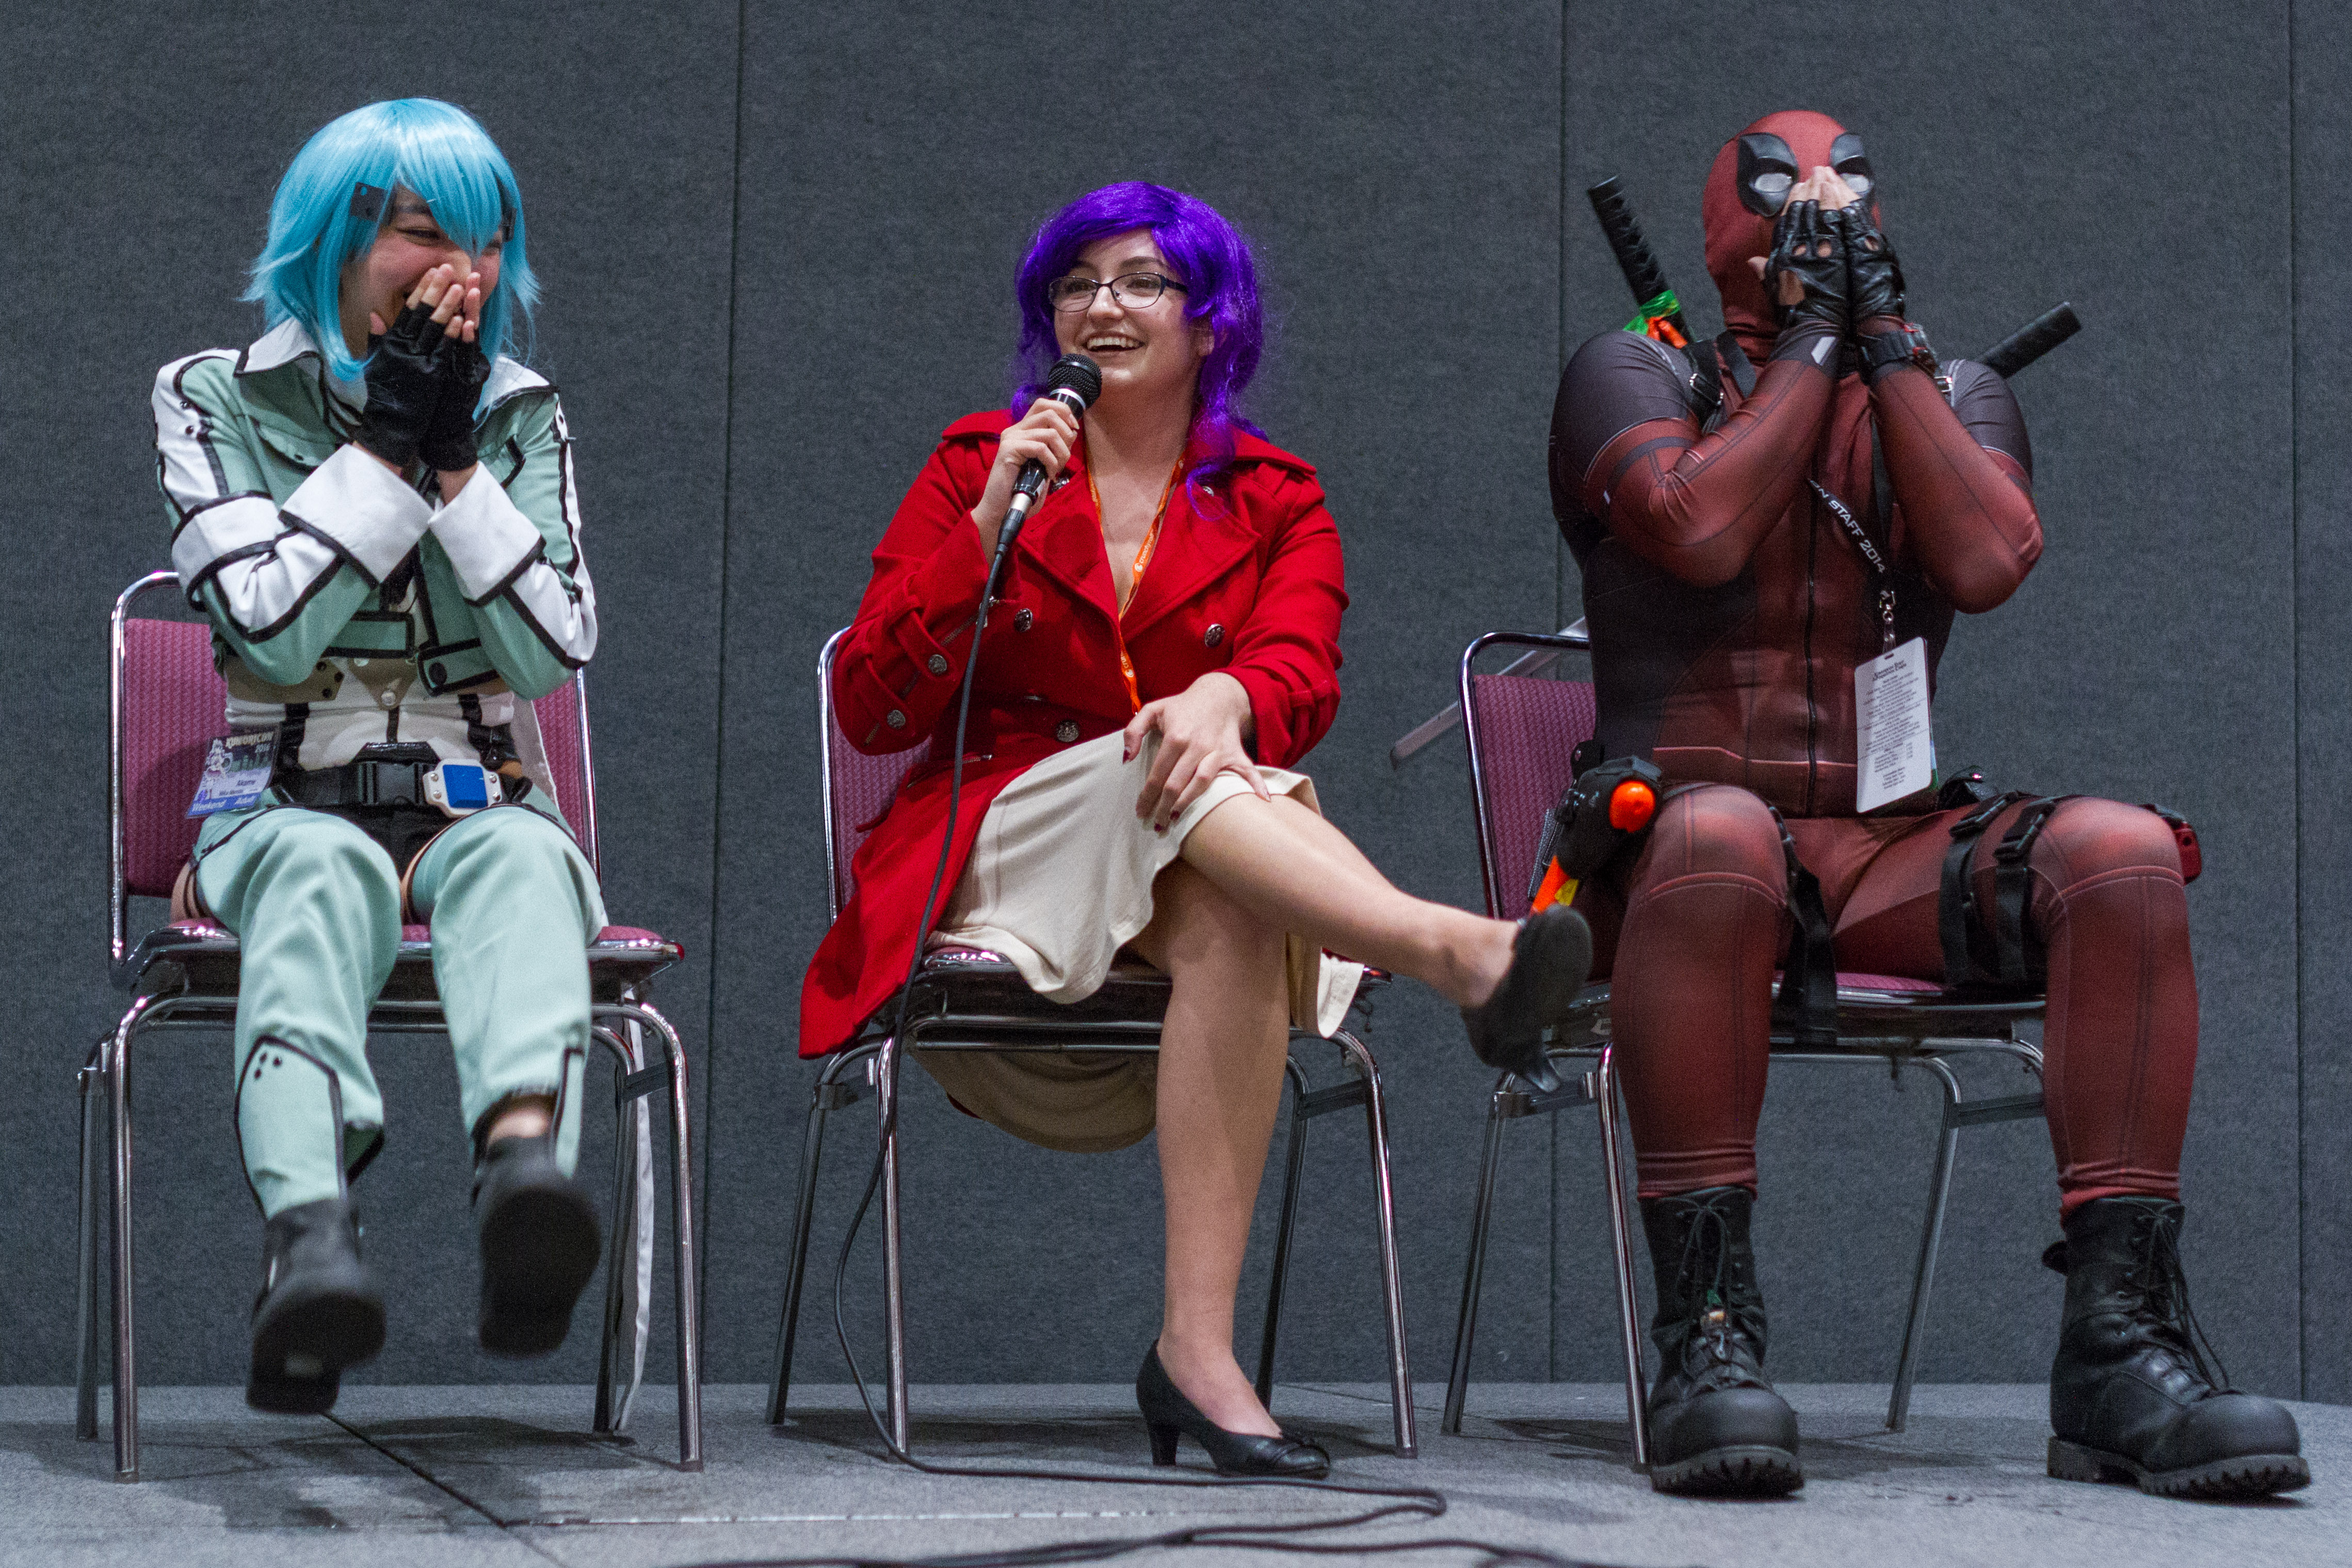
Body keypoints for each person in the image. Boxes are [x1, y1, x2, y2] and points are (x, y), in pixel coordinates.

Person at [1548, 110, 2306, 1499]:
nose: (1823, 201)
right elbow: (1697, 528)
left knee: (2121, 852)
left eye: (1851, 181)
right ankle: (1705, 1333)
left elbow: (1987, 560)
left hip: (1879, 851)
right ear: (1722, 224)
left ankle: (2118, 1350)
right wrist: (1807, 345)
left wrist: (1884, 350)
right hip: (1674, 864)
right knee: (1717, 832)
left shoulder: (1951, 389)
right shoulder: (1631, 372)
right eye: (1783, 183)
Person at [801, 181, 1589, 1477]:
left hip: (1177, 857)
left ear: (1210, 320)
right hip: (988, 847)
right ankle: (1455, 949)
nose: (1100, 305)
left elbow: (1300, 667)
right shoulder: (974, 464)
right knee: (1171, 762)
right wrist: (987, 524)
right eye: (1075, 284)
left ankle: (1195, 1352)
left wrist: (1228, 693)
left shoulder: (1276, 497)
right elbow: (871, 705)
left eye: (1139, 281)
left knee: (1227, 883)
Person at [154, 99, 605, 1415]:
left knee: (525, 864)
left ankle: (524, 1184)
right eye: (422, 234)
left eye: (487, 240)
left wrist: (456, 463)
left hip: (480, 789)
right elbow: (270, 633)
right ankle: (310, 1243)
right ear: (337, 241)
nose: (461, 270)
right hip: (283, 794)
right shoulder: (213, 396)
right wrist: (381, 450)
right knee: (320, 873)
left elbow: (552, 651)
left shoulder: (519, 415)